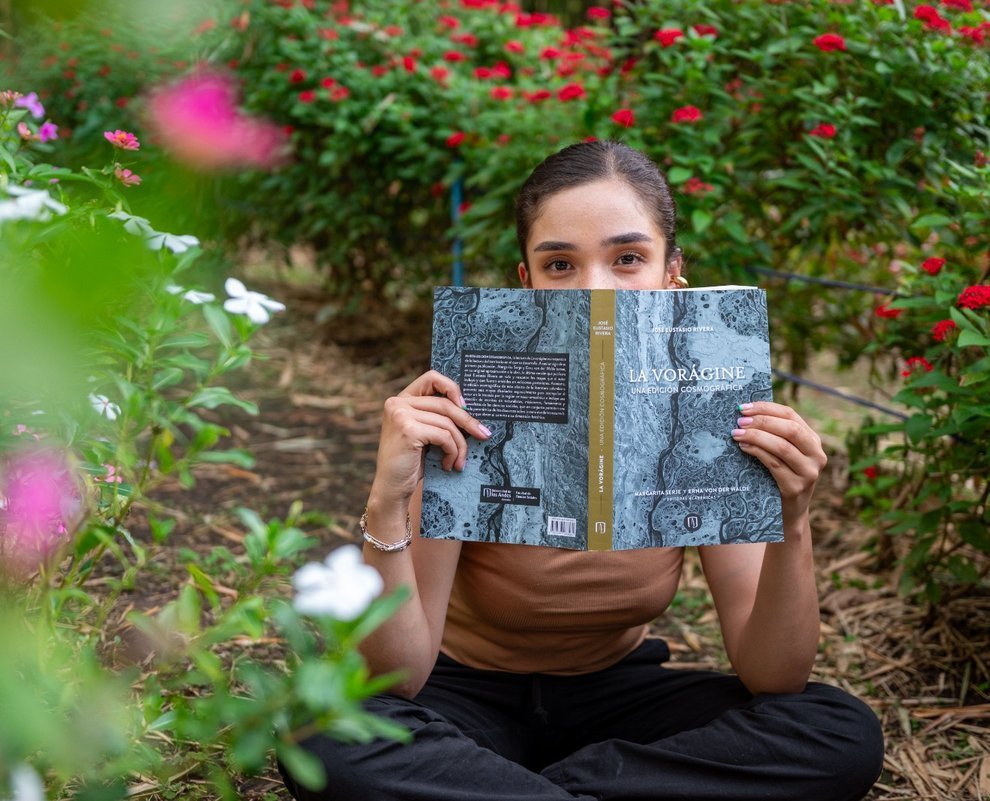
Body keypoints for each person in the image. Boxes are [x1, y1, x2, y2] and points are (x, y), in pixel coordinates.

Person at [279, 140, 884, 801]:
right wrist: (386, 501)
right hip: (460, 693)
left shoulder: (712, 405)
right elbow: (397, 679)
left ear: (672, 273)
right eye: (560, 263)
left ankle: (528, 792)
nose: (597, 288)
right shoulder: (460, 401)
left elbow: (774, 674)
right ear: (526, 281)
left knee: (838, 730)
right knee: (327, 735)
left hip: (619, 702)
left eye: (628, 258)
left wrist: (792, 516)